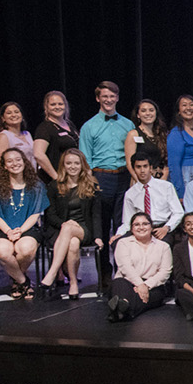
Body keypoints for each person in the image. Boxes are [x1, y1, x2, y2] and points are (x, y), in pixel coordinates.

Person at [37, 149, 103, 300]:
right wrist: (66, 223)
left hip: (84, 228)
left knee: (70, 230)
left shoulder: (91, 185)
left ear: (82, 165)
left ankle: (52, 272)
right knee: (73, 243)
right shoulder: (54, 186)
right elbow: (50, 215)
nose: (72, 166)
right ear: (63, 166)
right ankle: (73, 283)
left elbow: (96, 214)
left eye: (76, 163)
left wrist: (98, 237)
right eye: (69, 163)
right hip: (60, 230)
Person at [0, 148, 50, 299]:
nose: (15, 163)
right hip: (2, 228)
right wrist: (8, 231)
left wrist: (20, 231)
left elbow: (35, 213)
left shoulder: (36, 185)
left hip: (27, 227)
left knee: (26, 249)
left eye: (18, 159)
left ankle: (16, 281)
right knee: (3, 251)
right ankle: (23, 281)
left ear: (24, 162)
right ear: (4, 166)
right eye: (10, 161)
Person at [79, 81, 135, 258]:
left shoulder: (128, 125)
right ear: (98, 98)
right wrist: (92, 181)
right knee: (102, 227)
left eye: (112, 96)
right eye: (105, 96)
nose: (109, 100)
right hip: (101, 177)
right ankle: (104, 274)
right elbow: (85, 158)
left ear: (117, 98)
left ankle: (122, 270)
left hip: (124, 176)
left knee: (123, 224)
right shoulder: (89, 126)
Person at [107, 212, 171, 322]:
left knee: (157, 295)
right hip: (127, 283)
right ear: (131, 228)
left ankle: (122, 309)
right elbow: (125, 267)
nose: (141, 227)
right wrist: (140, 285)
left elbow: (165, 272)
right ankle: (126, 310)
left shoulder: (164, 246)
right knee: (119, 283)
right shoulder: (123, 243)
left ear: (152, 226)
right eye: (136, 225)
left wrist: (146, 285)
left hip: (152, 286)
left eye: (145, 224)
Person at [113, 153, 183, 243]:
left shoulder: (166, 187)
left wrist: (167, 228)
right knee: (118, 243)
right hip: (140, 230)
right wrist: (118, 234)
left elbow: (178, 212)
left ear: (150, 168)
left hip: (161, 227)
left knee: (163, 244)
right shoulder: (130, 193)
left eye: (145, 166)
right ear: (134, 169)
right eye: (138, 167)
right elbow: (127, 222)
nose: (142, 170)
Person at [32, 91, 79, 182]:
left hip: (71, 177)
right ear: (46, 107)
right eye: (53, 104)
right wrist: (56, 177)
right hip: (55, 180)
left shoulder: (70, 125)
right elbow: (38, 154)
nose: (57, 107)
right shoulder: (45, 128)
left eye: (60, 104)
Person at [167, 95, 193, 198]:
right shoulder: (176, 133)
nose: (188, 108)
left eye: (191, 105)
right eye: (184, 105)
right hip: (187, 178)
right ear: (179, 111)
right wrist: (180, 193)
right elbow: (174, 166)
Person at [124, 99, 168, 182]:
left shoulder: (162, 134)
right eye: (143, 111)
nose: (148, 113)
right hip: (140, 181)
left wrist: (163, 180)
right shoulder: (133, 134)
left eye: (151, 110)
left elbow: (166, 161)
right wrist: (142, 183)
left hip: (160, 181)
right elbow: (129, 164)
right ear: (138, 115)